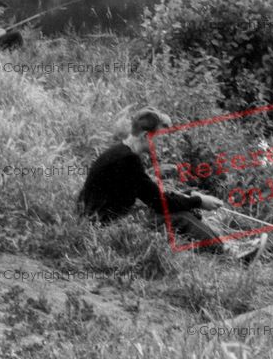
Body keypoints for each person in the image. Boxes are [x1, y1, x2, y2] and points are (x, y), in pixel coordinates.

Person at [77, 107, 229, 253]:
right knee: (183, 217)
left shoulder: (119, 152)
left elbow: (150, 193)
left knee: (183, 209)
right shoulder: (129, 160)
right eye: (159, 138)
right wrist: (199, 201)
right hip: (106, 226)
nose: (161, 144)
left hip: (97, 218)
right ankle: (226, 252)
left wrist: (188, 195)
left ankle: (222, 245)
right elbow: (161, 204)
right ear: (145, 136)